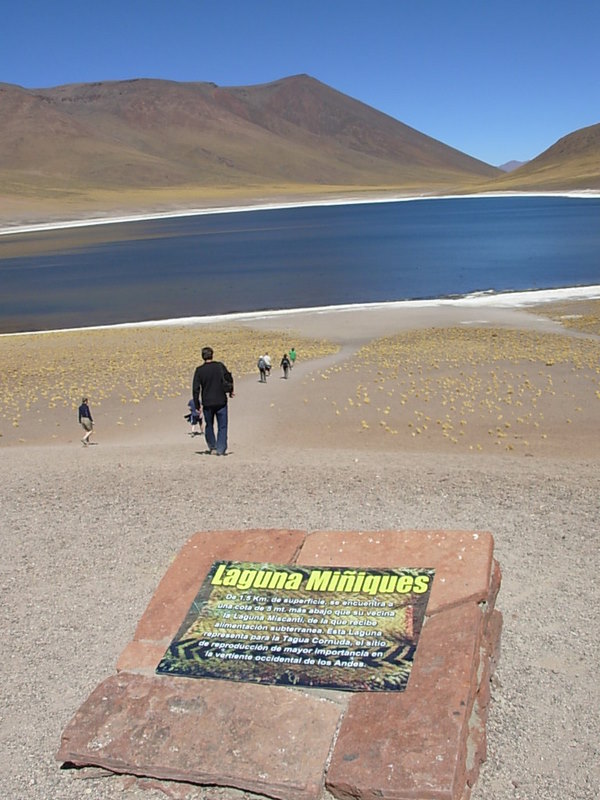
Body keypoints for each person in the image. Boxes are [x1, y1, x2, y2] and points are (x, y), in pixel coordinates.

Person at [192, 346, 234, 456]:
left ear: (202, 357)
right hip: (221, 401)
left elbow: (195, 389)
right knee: (222, 426)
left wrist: (197, 405)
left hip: (207, 402)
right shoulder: (219, 366)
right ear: (212, 355)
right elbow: (229, 377)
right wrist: (231, 391)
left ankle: (212, 446)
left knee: (209, 425)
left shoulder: (199, 370)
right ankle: (221, 448)